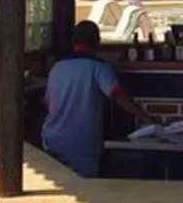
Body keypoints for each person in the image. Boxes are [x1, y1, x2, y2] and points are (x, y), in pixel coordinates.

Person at [40, 20, 153, 177]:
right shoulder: (99, 67)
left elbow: (48, 103)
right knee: (85, 189)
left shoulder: (57, 67)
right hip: (82, 142)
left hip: (52, 140)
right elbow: (116, 95)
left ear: (73, 41)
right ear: (97, 41)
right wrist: (145, 118)